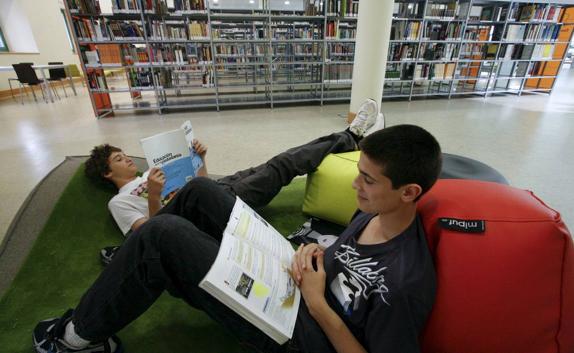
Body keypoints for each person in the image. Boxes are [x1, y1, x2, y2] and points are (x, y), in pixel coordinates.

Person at [33, 105, 442, 353]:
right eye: (360, 173)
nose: (356, 184)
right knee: (198, 190)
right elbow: (340, 257)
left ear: (409, 192)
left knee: (162, 235)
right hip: (294, 282)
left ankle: (75, 339)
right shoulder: (371, 214)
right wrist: (314, 253)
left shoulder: (405, 282)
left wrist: (317, 303)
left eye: (368, 180)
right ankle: (176, 267)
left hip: (301, 333)